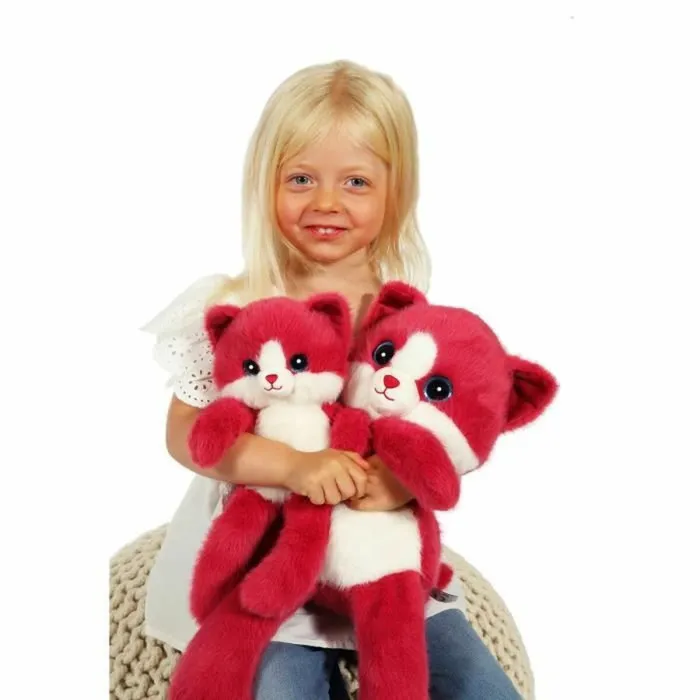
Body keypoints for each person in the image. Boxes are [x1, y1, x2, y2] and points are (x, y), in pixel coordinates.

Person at [142, 59, 521, 700]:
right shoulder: (237, 304)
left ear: (396, 192)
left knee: (479, 685)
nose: (326, 202)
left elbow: (450, 428)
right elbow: (187, 432)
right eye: (300, 179)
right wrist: (291, 467)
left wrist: (398, 482)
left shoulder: (404, 317)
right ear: (264, 182)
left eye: (356, 182)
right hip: (270, 553)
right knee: (281, 685)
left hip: (372, 555)